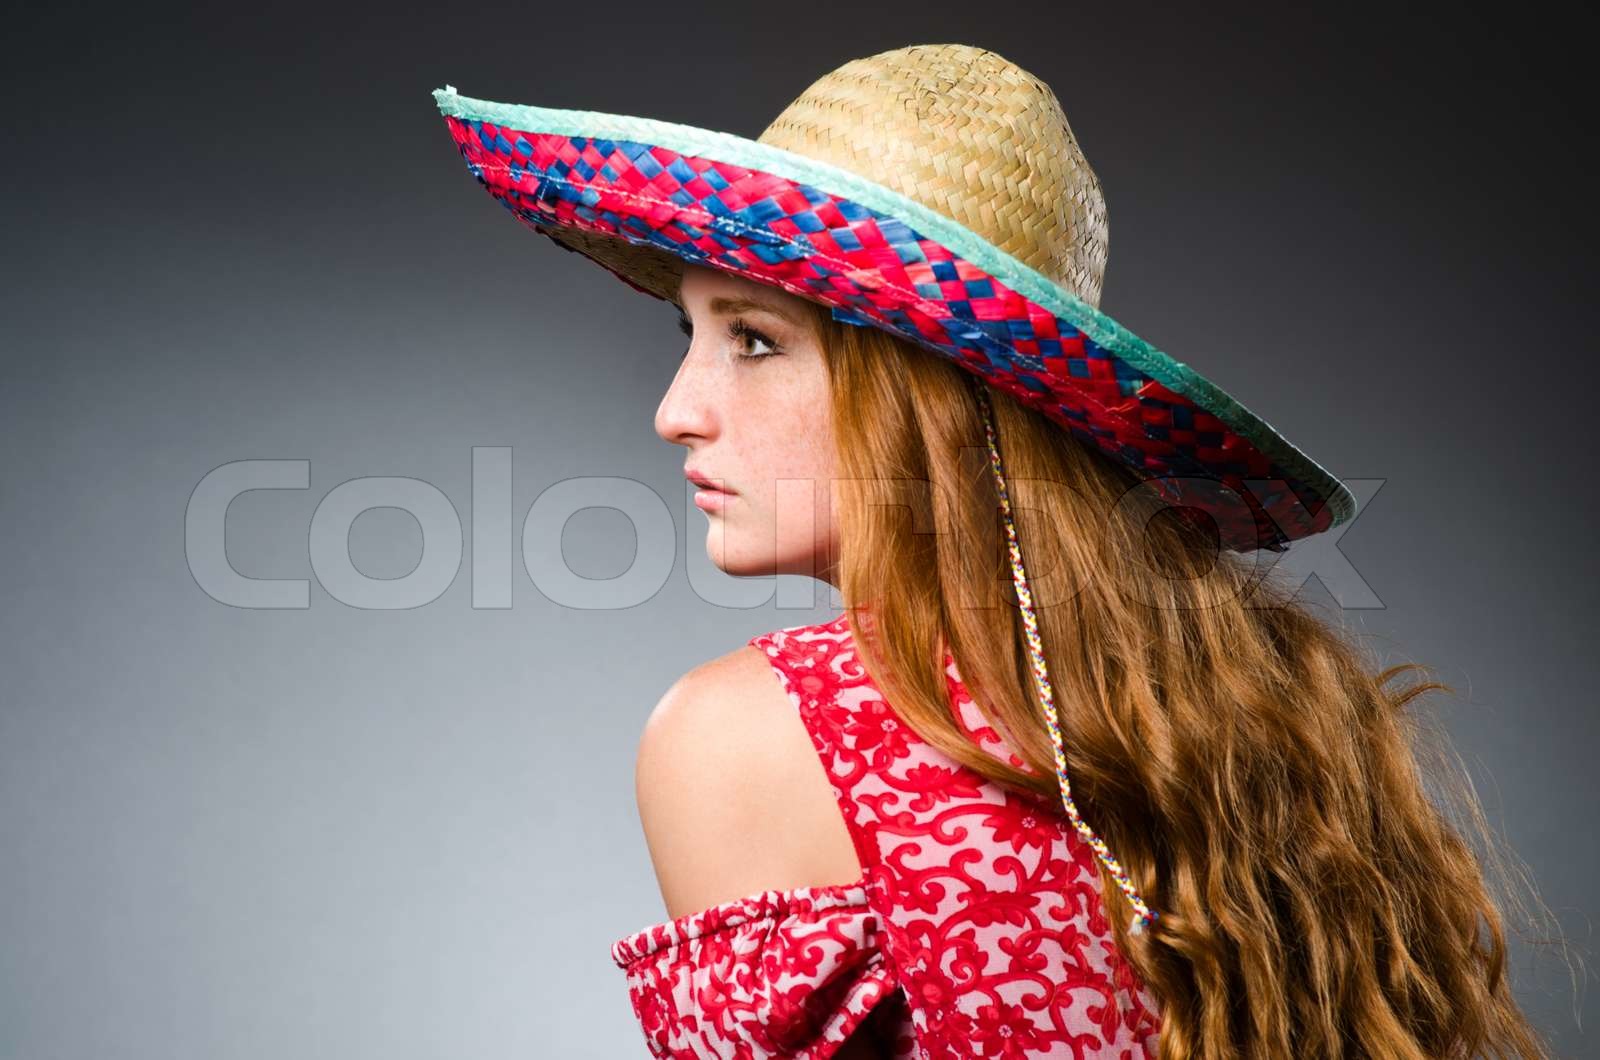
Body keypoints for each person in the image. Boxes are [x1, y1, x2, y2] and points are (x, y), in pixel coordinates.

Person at [432, 43, 1556, 1059]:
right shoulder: (1268, 707)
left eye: (756, 340)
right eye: (695, 336)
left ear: (929, 390)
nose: (678, 410)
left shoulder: (750, 735)